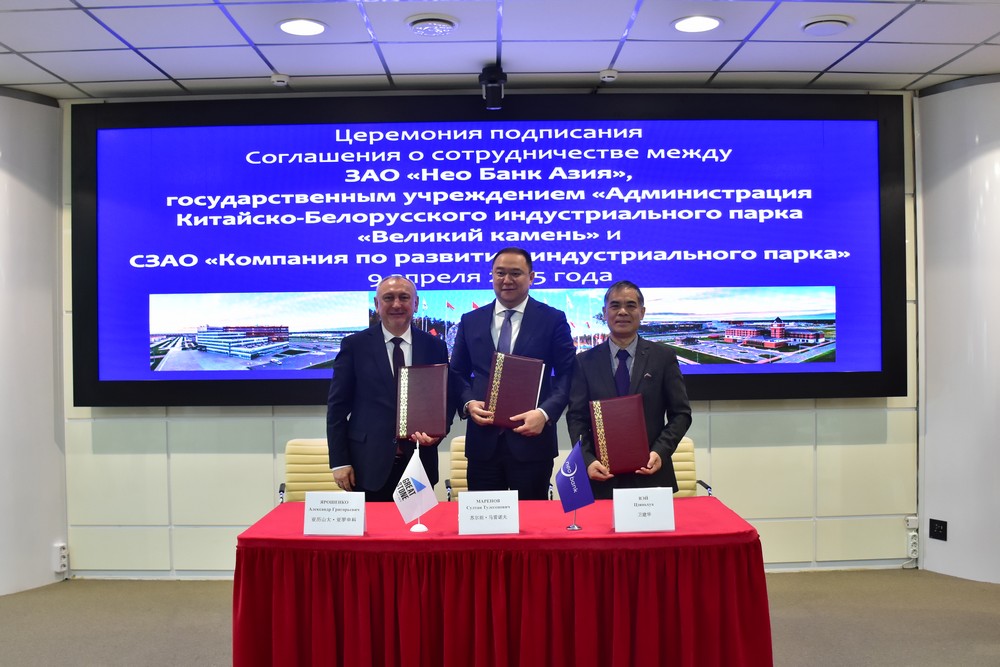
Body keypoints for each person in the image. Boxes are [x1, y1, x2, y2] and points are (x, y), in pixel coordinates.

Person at [450, 247, 577, 499]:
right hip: (482, 444)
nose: (507, 280)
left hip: (533, 442)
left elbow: (568, 373)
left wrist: (545, 413)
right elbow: (456, 372)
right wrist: (468, 403)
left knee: (532, 520)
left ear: (531, 277)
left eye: (515, 273)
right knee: (484, 519)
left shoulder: (552, 319)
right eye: (500, 273)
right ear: (492, 275)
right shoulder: (470, 320)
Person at [326, 275, 455, 501]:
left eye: (404, 297)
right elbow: (337, 408)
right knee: (373, 526)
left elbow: (447, 398)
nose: (396, 304)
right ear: (377, 304)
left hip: (419, 463)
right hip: (367, 466)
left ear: (415, 303)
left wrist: (438, 433)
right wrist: (340, 461)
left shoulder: (435, 346)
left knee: (418, 525)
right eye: (388, 298)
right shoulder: (355, 346)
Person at [566, 280, 692, 498]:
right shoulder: (584, 362)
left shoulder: (663, 357)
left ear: (642, 312)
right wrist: (587, 460)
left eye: (630, 305)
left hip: (651, 476)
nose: (622, 312)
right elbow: (577, 417)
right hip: (600, 478)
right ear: (604, 313)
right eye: (615, 306)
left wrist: (660, 451)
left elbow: (681, 414)